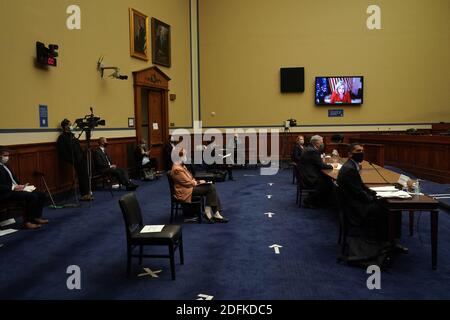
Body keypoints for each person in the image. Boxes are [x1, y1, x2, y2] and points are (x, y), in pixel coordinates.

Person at [336, 143, 408, 255]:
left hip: (351, 203)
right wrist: (372, 199)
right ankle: (385, 242)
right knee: (386, 209)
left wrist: (373, 193)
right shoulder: (350, 169)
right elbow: (358, 192)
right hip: (354, 208)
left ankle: (386, 240)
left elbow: (360, 186)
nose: (361, 153)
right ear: (350, 154)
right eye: (358, 151)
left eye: (362, 151)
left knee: (384, 206)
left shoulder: (351, 165)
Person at [171, 149, 228, 223]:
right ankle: (211, 212)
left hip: (189, 187)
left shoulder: (181, 166)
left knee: (210, 186)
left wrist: (198, 182)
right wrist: (198, 182)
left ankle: (213, 212)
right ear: (180, 156)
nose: (186, 157)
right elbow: (188, 183)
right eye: (185, 155)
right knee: (210, 187)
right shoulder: (177, 169)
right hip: (186, 191)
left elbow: (190, 178)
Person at [0, 146, 49, 229]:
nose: (7, 157)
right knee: (31, 197)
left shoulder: (6, 165)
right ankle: (27, 222)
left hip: (16, 189)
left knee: (41, 194)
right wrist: (13, 188)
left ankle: (36, 217)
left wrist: (22, 186)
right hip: (6, 193)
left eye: (8, 155)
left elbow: (13, 180)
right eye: (5, 155)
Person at [56, 119, 92, 201]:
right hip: (74, 159)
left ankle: (87, 193)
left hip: (80, 158)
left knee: (85, 174)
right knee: (81, 175)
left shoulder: (72, 136)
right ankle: (84, 194)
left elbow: (78, 147)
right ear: (65, 126)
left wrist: (83, 155)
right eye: (70, 124)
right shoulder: (62, 138)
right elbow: (62, 152)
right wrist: (72, 159)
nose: (71, 126)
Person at [299, 135, 338, 208]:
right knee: (329, 182)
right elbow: (321, 166)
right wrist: (333, 166)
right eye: (321, 142)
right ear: (316, 143)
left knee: (327, 179)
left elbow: (317, 163)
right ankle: (309, 200)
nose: (322, 144)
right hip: (310, 177)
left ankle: (322, 200)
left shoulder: (308, 148)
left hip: (306, 174)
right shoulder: (313, 151)